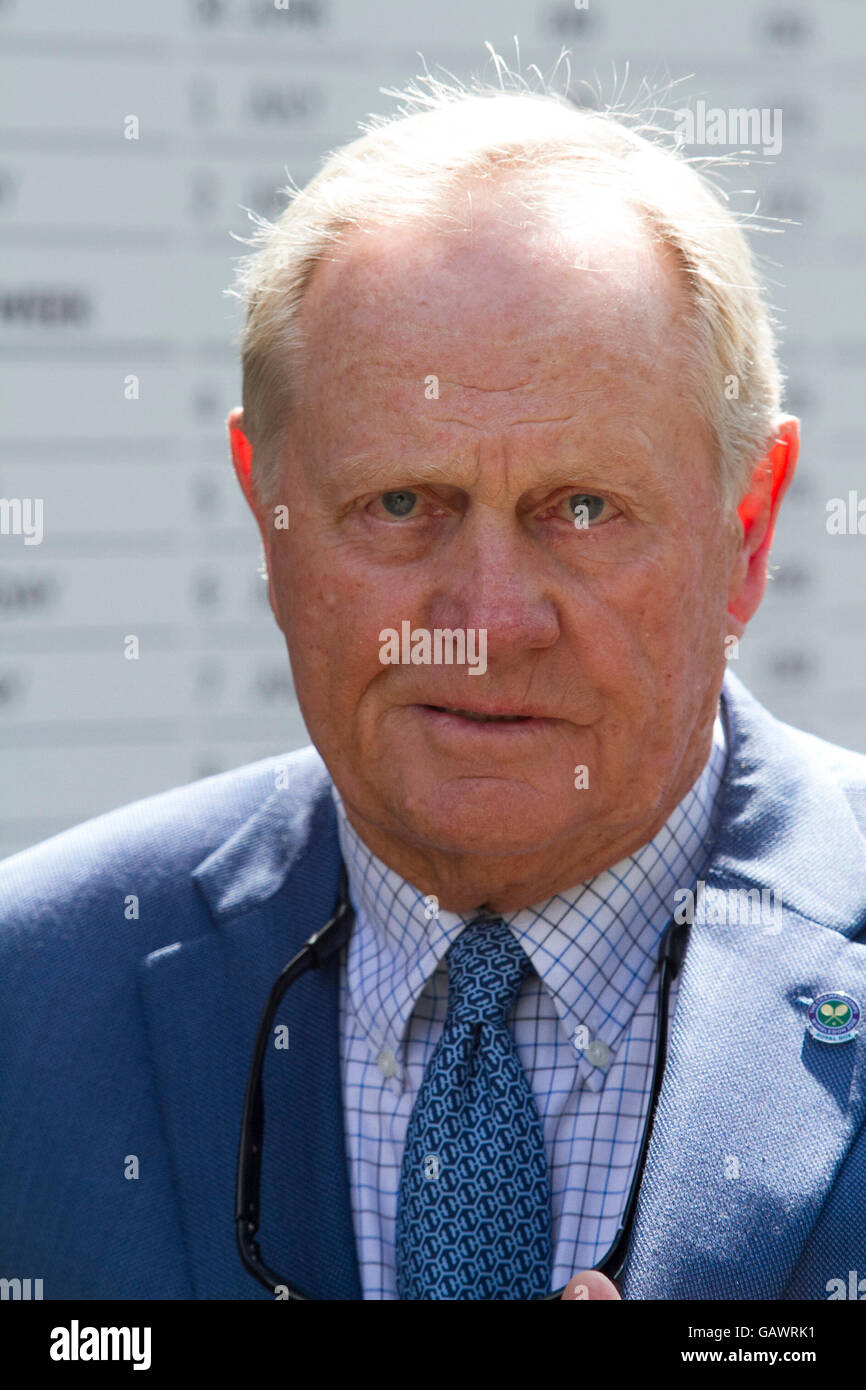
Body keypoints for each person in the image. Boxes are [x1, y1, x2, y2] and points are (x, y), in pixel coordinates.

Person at [2, 66, 864, 1303]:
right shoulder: (27, 1000)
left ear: (749, 528)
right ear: (268, 509)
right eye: (401, 505)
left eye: (581, 509)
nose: (486, 624)